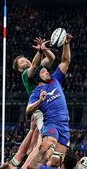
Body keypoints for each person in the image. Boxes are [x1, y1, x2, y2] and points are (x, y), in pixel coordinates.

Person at [26, 33, 72, 161]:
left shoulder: (55, 79)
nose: (46, 72)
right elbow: (28, 110)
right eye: (43, 71)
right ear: (38, 77)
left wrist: (66, 44)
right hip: (51, 124)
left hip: (64, 125)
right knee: (48, 149)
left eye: (46, 70)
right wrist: (39, 101)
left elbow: (65, 61)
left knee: (58, 159)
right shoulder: (36, 92)